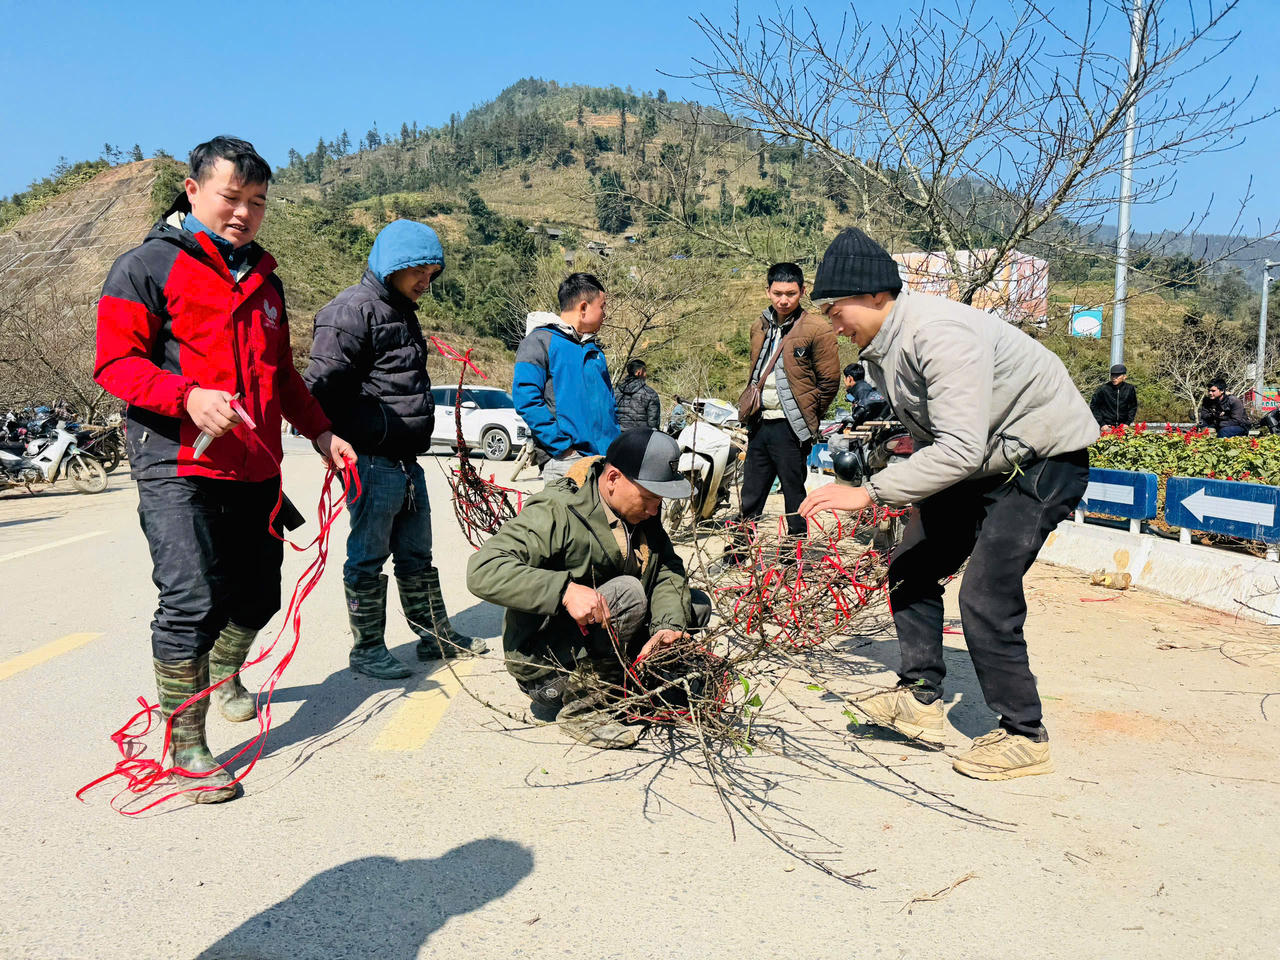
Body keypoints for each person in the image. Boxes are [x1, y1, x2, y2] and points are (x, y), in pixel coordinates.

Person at [94, 136, 356, 803]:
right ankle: (186, 748)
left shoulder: (265, 279)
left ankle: (223, 672)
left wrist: (322, 432)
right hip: (176, 462)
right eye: (231, 197)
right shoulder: (145, 267)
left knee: (259, 598)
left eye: (257, 202)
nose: (244, 213)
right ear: (192, 190)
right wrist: (186, 396)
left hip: (254, 466)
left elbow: (283, 376)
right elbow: (115, 364)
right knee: (191, 601)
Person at [798, 227, 1099, 780]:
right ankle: (919, 698)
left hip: (1039, 463)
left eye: (835, 309)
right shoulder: (885, 346)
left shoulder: (940, 334)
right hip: (981, 460)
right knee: (912, 566)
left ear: (874, 296)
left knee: (985, 594)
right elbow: (944, 439)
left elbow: (959, 448)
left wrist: (868, 493)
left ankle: (1024, 735)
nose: (833, 323)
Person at [305, 219, 487, 680]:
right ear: (393, 265)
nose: (426, 281)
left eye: (432, 273)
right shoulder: (350, 311)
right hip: (368, 461)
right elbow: (319, 387)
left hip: (406, 462)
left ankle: (435, 637)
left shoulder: (402, 311)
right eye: (418, 271)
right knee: (367, 557)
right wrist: (327, 438)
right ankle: (367, 649)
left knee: (417, 555)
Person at [466, 429, 709, 749]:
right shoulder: (557, 509)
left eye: (659, 500)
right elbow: (483, 570)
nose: (655, 509)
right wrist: (564, 592)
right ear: (614, 478)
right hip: (548, 667)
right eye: (650, 498)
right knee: (629, 593)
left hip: (596, 640)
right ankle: (585, 710)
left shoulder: (641, 511)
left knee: (694, 606)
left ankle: (631, 680)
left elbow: (667, 568)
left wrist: (667, 628)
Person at [731, 262, 840, 553]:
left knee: (793, 492)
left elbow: (829, 382)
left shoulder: (817, 328)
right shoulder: (759, 326)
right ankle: (740, 549)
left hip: (791, 428)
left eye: (790, 294)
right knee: (751, 492)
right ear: (768, 291)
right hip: (759, 423)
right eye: (778, 293)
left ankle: (793, 554)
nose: (783, 300)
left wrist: (808, 415)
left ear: (802, 291)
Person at [512, 273, 619, 482]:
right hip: (567, 461)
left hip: (605, 460)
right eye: (602, 307)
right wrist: (564, 449)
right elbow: (526, 400)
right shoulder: (539, 342)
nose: (605, 315)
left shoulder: (594, 350)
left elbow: (610, 405)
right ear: (583, 307)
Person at [616, 358, 661, 431]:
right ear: (640, 372)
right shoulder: (650, 393)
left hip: (618, 435)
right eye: (645, 371)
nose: (646, 375)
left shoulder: (616, 391)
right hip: (640, 436)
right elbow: (653, 424)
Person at [843, 362, 891, 427]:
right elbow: (852, 399)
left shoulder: (861, 389)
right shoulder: (863, 387)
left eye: (844, 378)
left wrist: (853, 417)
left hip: (870, 424)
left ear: (849, 378)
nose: (844, 381)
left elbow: (862, 408)